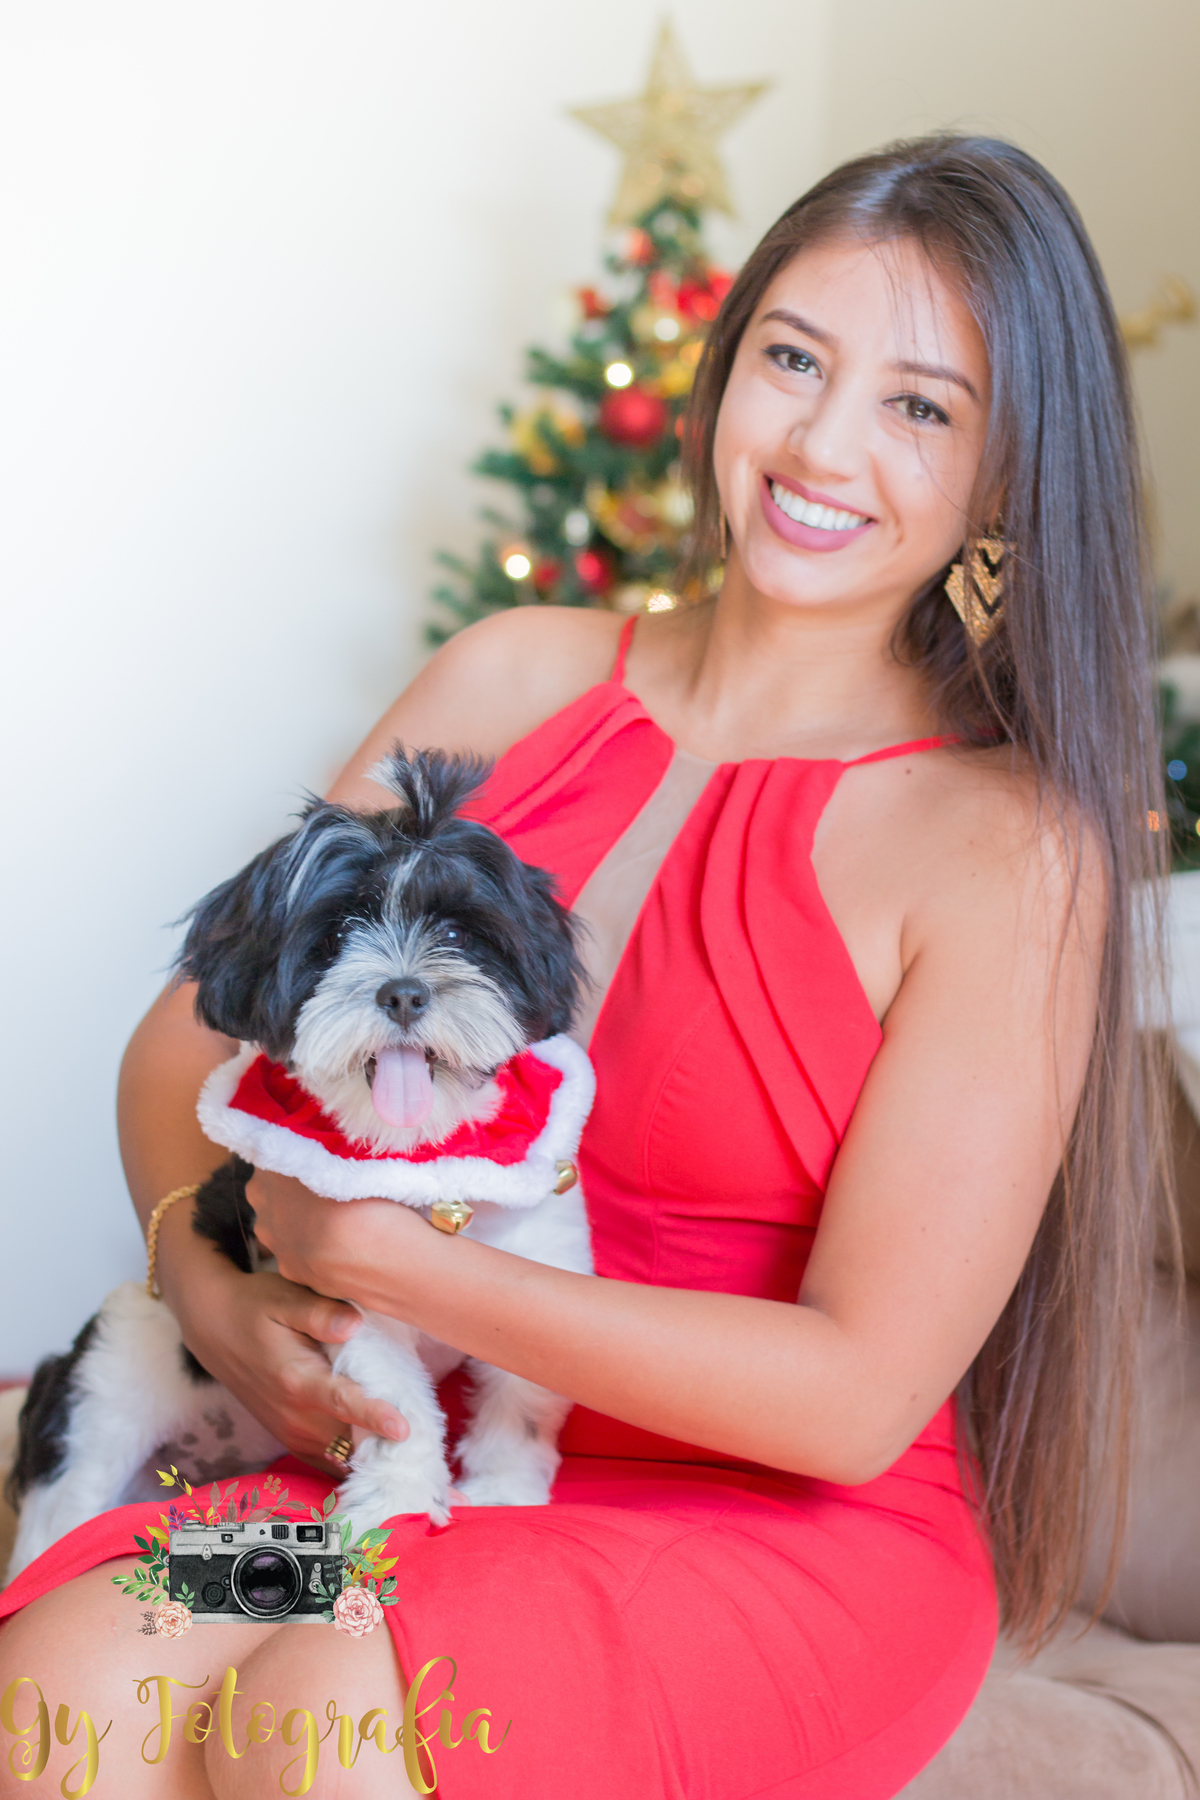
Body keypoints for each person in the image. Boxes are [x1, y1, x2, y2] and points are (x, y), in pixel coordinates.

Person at [0, 134, 1170, 1800]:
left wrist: (402, 1270)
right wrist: (213, 1282)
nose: (824, 444)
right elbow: (178, 1051)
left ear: (1005, 478)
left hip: (770, 1539)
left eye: (922, 406)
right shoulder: (506, 676)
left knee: (309, 1727)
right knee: (67, 1686)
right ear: (726, 362)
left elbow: (850, 1399)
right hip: (411, 1470)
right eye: (793, 359)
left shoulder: (1008, 847)